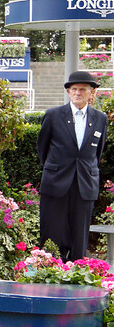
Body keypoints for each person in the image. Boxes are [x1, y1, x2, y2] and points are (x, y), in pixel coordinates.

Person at [38, 70, 108, 261]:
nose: (77, 93)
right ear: (68, 92)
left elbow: (96, 152)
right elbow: (42, 149)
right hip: (56, 183)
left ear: (91, 93)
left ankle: (76, 278)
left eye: (82, 89)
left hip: (85, 184)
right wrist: (56, 169)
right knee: (52, 234)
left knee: (79, 237)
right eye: (74, 89)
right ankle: (49, 275)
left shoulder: (100, 119)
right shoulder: (53, 115)